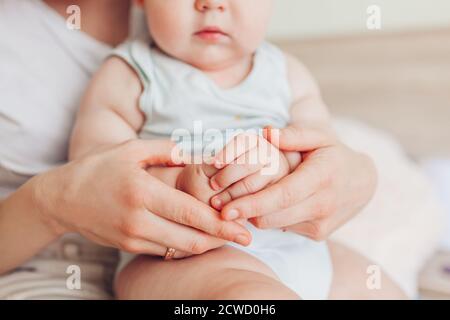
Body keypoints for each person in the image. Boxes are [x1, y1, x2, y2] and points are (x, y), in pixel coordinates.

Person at [0, 0, 404, 299]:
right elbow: (95, 169)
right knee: (249, 298)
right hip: (182, 258)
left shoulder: (286, 73)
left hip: (294, 246)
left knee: (384, 290)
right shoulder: (130, 72)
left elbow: (319, 145)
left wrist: (294, 168)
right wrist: (176, 181)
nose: (211, 4)